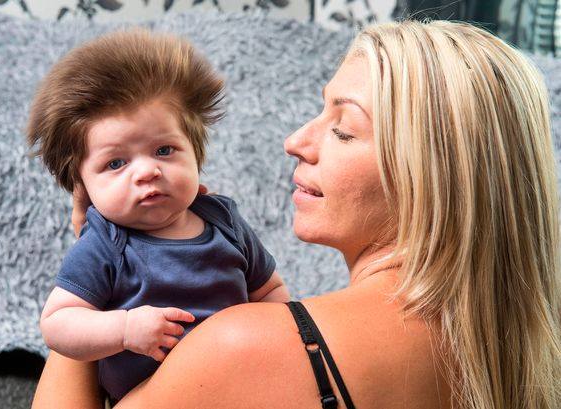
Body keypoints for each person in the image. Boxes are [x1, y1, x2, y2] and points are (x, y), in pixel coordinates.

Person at [32, 19, 561, 409]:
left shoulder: (244, 347)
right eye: (318, 110)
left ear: (433, 174)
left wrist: (95, 251)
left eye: (343, 128)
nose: (295, 142)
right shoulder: (524, 353)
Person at [26, 29, 291, 403]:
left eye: (164, 150)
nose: (146, 171)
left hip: (241, 387)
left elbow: (270, 291)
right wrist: (123, 329)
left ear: (196, 154)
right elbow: (57, 324)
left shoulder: (224, 221)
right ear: (82, 185)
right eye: (116, 163)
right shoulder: (106, 243)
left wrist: (279, 343)